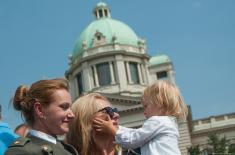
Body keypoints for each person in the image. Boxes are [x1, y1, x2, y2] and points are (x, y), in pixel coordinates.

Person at [93, 80, 188, 155]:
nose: (144, 112)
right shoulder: (168, 123)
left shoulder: (157, 121)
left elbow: (132, 140)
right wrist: (117, 128)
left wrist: (111, 130)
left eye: (146, 106)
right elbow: (136, 134)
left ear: (160, 103)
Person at [4, 78, 78, 155]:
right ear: (39, 110)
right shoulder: (21, 152)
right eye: (64, 107)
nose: (72, 115)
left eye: (70, 108)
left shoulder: (68, 149)